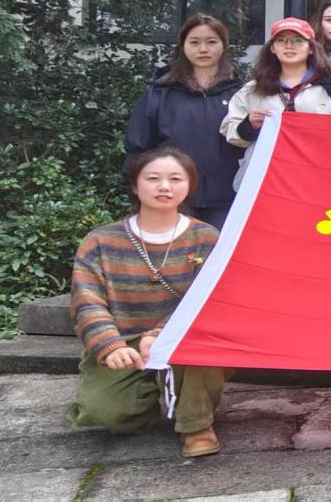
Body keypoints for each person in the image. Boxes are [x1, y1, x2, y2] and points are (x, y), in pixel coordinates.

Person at [67, 147, 228, 457]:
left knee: (203, 343)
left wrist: (159, 334)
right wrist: (110, 346)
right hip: (124, 341)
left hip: (184, 337)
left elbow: (210, 299)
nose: (164, 187)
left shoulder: (206, 238)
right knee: (106, 412)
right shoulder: (100, 241)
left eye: (175, 179)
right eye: (153, 178)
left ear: (189, 186)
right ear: (135, 184)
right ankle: (154, 397)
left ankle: (196, 425)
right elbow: (87, 301)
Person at [124, 14, 243, 230]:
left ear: (224, 45)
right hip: (172, 197)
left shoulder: (242, 93)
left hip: (229, 198)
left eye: (211, 42)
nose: (203, 49)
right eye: (194, 42)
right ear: (182, 46)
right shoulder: (159, 93)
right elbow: (138, 147)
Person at [221, 18, 331, 187]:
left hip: (317, 174)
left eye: (298, 40)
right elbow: (229, 130)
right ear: (272, 48)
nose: (289, 46)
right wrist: (249, 126)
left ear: (311, 48)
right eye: (281, 41)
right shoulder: (253, 89)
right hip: (265, 177)